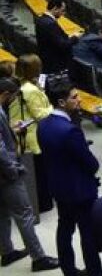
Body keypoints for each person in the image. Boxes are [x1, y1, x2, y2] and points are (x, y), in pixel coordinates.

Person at [37, 78, 102, 276]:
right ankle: (94, 271)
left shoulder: (43, 125)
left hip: (59, 187)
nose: (79, 100)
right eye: (74, 97)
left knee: (64, 229)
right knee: (88, 234)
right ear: (62, 102)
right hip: (81, 190)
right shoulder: (70, 130)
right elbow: (91, 163)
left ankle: (68, 269)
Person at [0, 77, 59, 272]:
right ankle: (38, 257)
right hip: (6, 173)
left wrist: (13, 130)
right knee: (25, 214)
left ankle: (7, 252)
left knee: (2, 213)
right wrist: (13, 170)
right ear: (6, 95)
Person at [8, 54, 54, 213]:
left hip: (23, 134)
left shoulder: (19, 84)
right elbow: (40, 115)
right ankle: (43, 204)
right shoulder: (30, 90)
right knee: (39, 173)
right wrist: (53, 108)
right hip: (32, 136)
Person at [34, 0, 74, 74]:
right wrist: (75, 38)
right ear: (55, 8)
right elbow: (62, 45)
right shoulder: (50, 23)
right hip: (55, 65)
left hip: (48, 60)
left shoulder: (41, 19)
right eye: (62, 10)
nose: (63, 13)